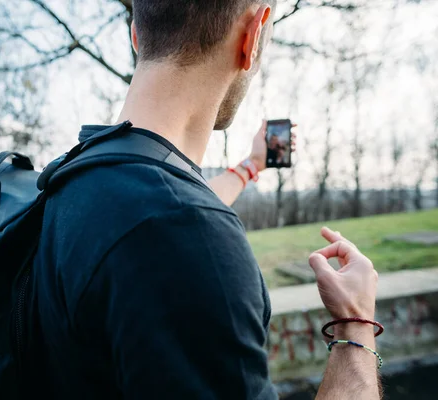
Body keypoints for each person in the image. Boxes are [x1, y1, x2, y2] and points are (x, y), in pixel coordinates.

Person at [31, 1, 381, 399]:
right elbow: (176, 217)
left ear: (135, 35)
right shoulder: (186, 234)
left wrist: (252, 165)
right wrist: (356, 324)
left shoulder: (78, 173)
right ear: (253, 36)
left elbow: (163, 202)